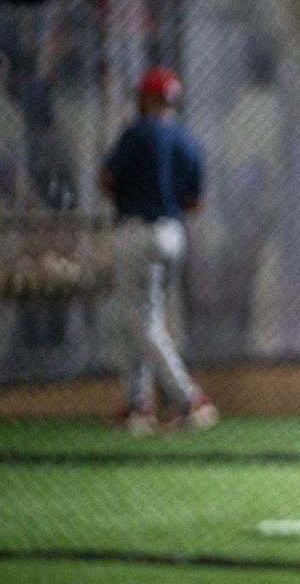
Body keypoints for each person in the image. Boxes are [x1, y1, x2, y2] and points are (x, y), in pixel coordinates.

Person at [99, 65, 217, 434]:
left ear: (148, 96)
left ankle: (188, 398)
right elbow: (196, 200)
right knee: (136, 320)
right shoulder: (185, 138)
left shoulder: (138, 132)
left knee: (141, 321)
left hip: (137, 231)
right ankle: (137, 407)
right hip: (172, 233)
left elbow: (105, 179)